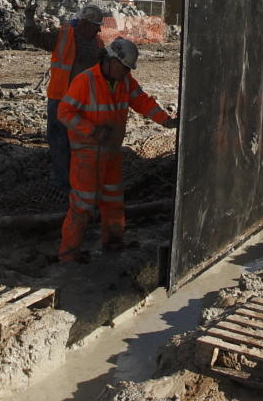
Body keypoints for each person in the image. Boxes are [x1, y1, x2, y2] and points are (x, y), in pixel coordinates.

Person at [56, 36, 177, 262]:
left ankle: (112, 242)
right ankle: (69, 254)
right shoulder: (86, 81)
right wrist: (91, 130)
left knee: (113, 202)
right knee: (82, 205)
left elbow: (141, 100)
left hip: (111, 153)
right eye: (124, 68)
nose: (126, 73)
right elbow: (64, 113)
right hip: (87, 155)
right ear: (111, 61)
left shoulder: (124, 80)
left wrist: (164, 119)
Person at [42, 2, 107, 196]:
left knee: (78, 143)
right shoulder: (62, 36)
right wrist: (29, 20)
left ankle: (78, 181)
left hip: (81, 103)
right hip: (60, 98)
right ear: (85, 23)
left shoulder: (98, 45)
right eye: (96, 26)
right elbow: (37, 38)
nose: (98, 30)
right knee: (59, 141)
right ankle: (63, 183)